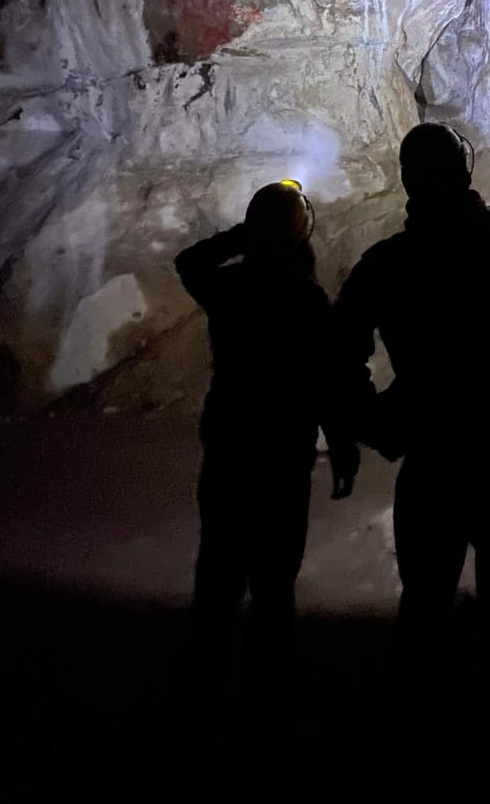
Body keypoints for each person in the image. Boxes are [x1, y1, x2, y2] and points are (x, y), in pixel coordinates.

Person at [334, 125, 490, 681]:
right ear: (463, 175)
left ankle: (421, 735)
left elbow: (335, 356)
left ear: (409, 182)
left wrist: (373, 422)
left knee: (424, 613)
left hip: (431, 463)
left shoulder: (386, 263)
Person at [175, 181, 360, 696]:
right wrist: (343, 450)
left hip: (231, 449)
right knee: (274, 587)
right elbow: (326, 384)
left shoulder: (230, 287)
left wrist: (247, 235)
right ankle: (266, 701)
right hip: (281, 456)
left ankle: (200, 690)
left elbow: (189, 261)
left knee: (217, 575)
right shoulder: (307, 298)